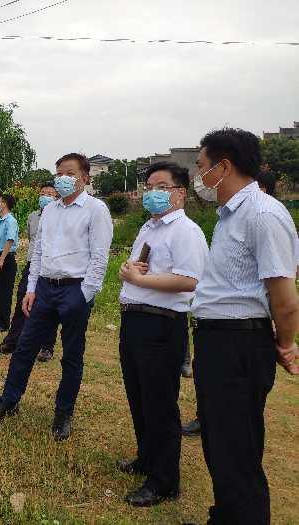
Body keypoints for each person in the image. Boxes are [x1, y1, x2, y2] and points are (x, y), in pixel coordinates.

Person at [191, 128, 298, 524]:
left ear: (224, 166)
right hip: (217, 340)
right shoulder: (229, 216)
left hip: (239, 343)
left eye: (201, 167)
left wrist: (285, 344)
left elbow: (284, 297)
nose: (199, 177)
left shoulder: (263, 215)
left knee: (237, 449)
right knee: (221, 444)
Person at [0, 153, 113, 442]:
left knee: (72, 355)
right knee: (25, 347)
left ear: (85, 177)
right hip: (44, 287)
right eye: (59, 174)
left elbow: (100, 257)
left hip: (75, 289)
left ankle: (63, 412)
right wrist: (31, 289)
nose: (63, 178)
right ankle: (9, 400)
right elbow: (38, 252)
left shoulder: (95, 210)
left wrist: (85, 294)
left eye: (69, 173)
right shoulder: (51, 211)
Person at [116, 161, 208, 507]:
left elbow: (190, 280)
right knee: (139, 396)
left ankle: (165, 480)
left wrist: (139, 280)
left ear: (180, 193)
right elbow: (135, 268)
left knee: (160, 402)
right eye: (149, 186)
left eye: (161, 187)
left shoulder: (185, 231)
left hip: (162, 323)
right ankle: (147, 457)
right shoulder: (149, 228)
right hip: (135, 320)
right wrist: (129, 271)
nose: (152, 193)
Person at [0, 182, 60, 361]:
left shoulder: (61, 216)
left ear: (56, 197)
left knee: (48, 306)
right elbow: (31, 239)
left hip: (51, 267)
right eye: (43, 193)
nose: (45, 196)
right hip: (32, 264)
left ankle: (46, 347)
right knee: (22, 300)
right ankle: (12, 342)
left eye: (50, 194)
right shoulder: (32, 216)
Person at [0, 194, 19, 333]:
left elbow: (10, 240)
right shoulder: (1, 220)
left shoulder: (10, 221)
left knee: (5, 292)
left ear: (4, 204)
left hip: (5, 258)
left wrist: (1, 259)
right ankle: (0, 319)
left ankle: (4, 323)